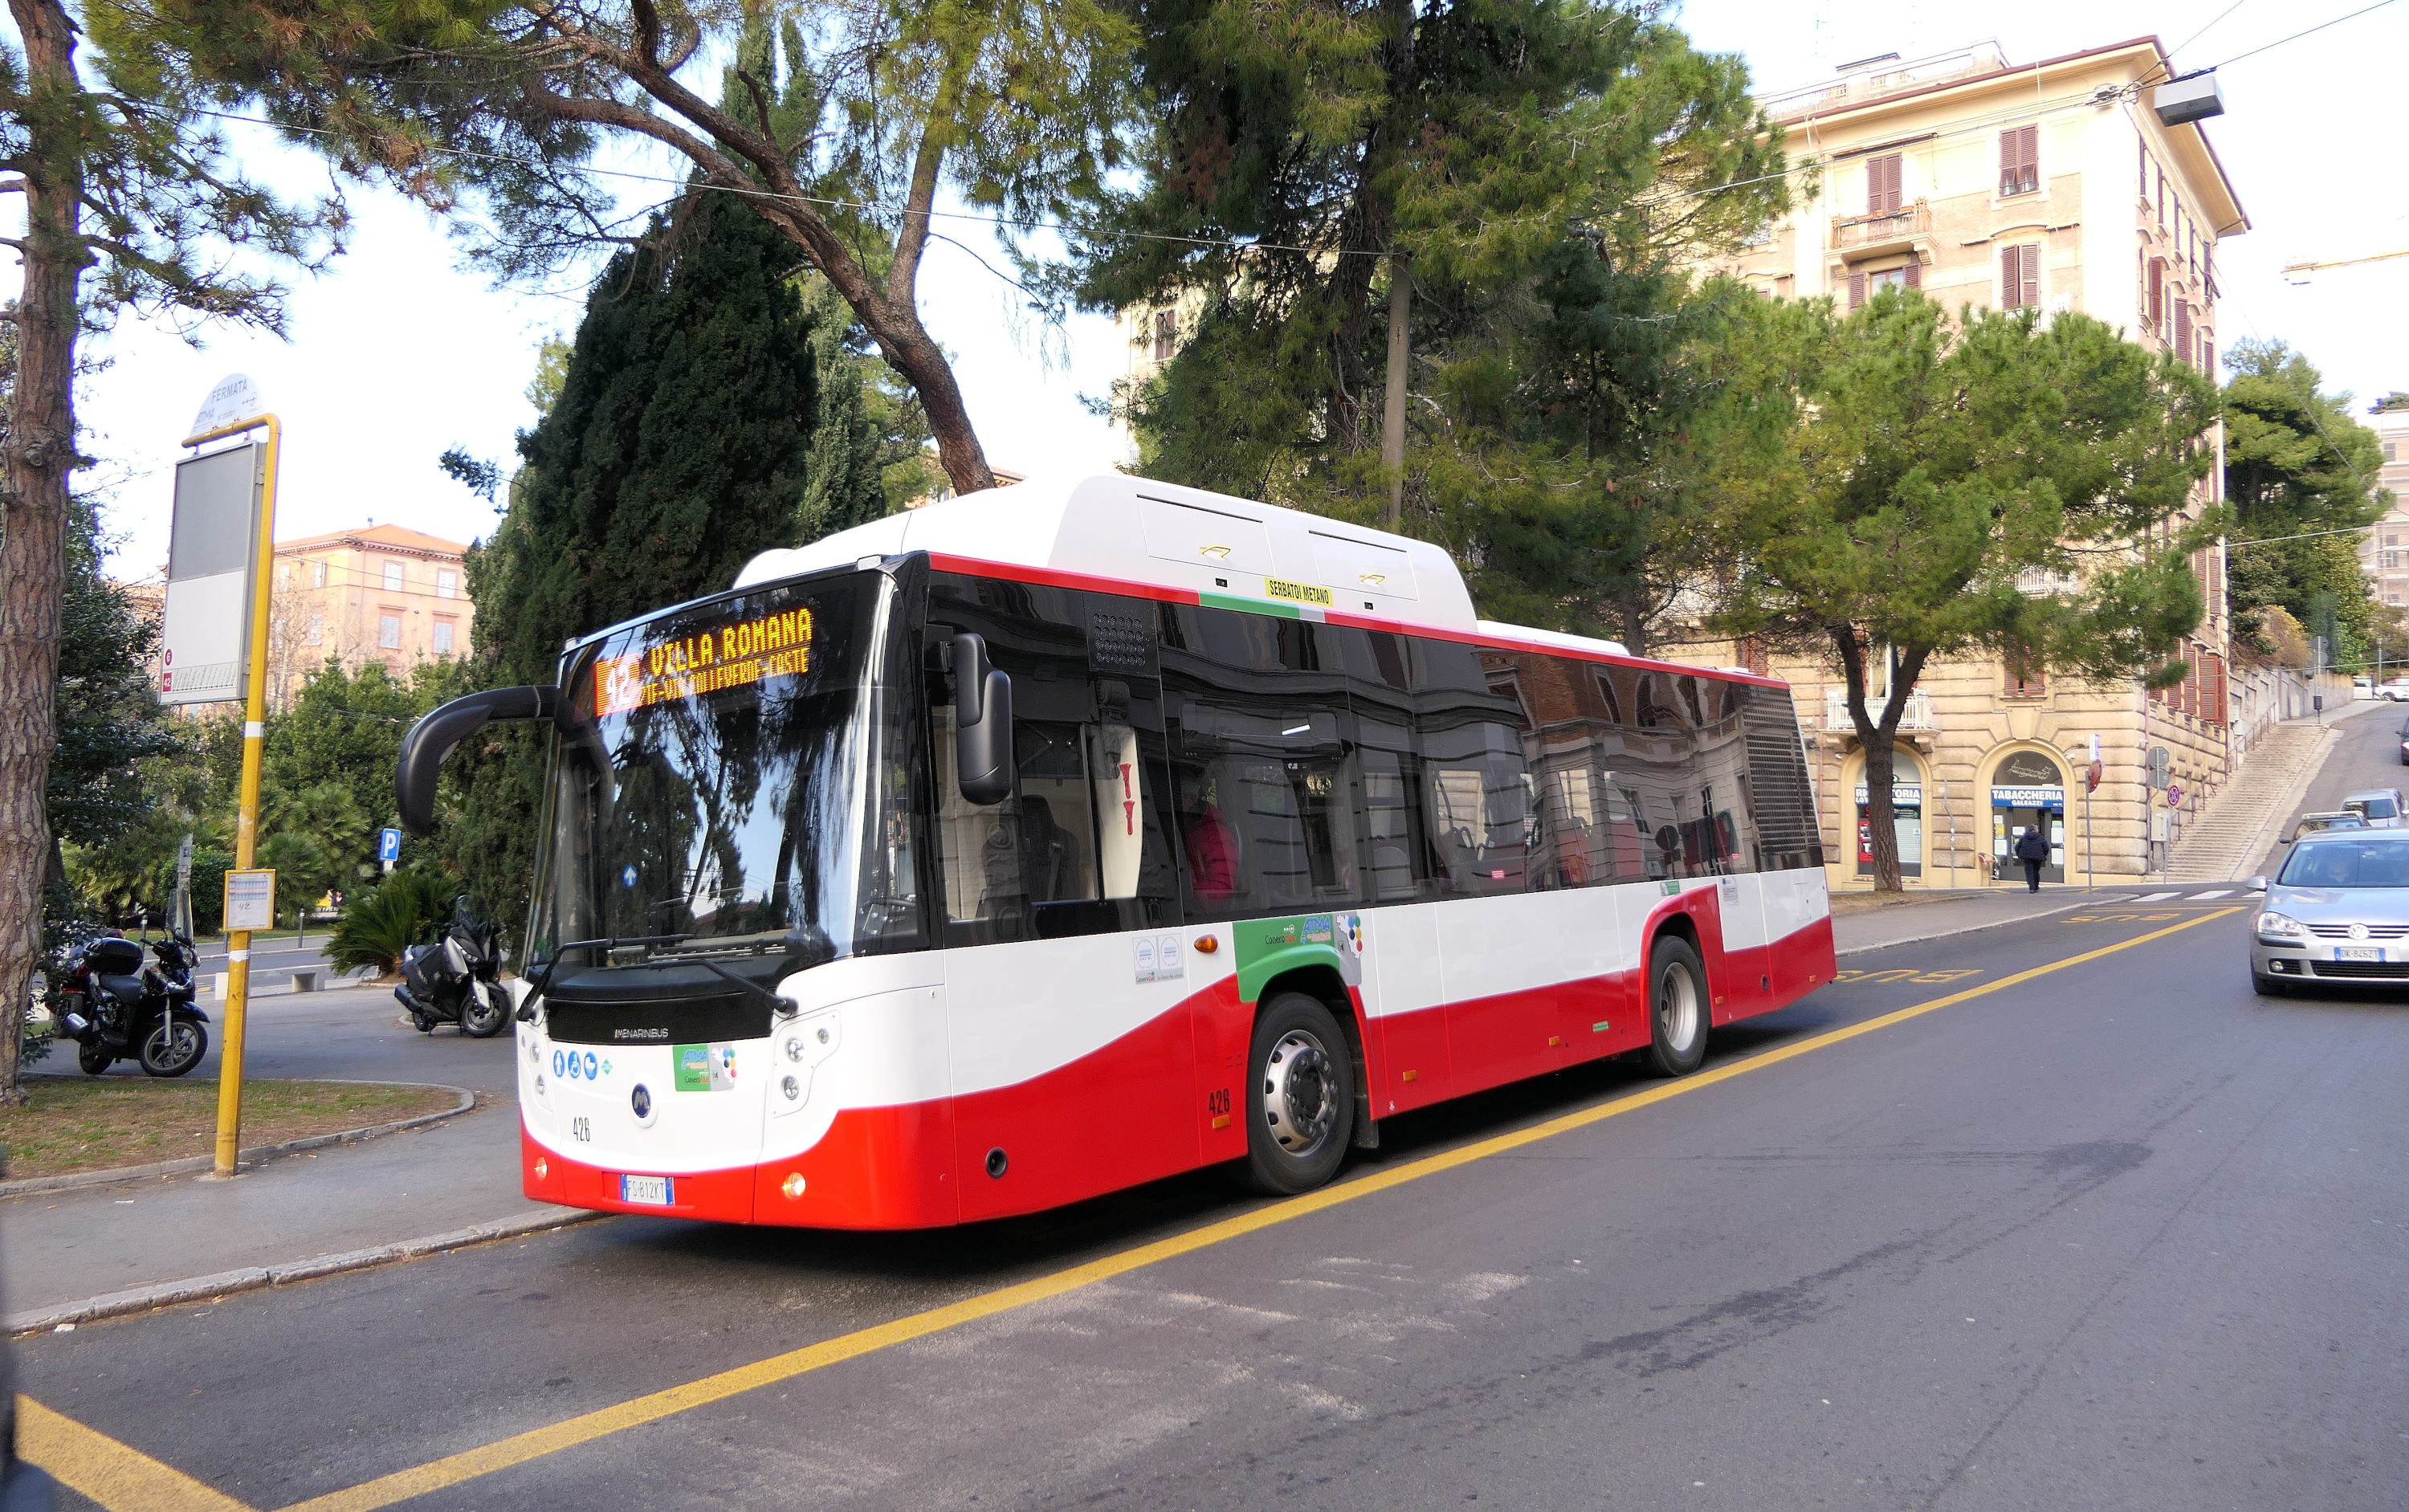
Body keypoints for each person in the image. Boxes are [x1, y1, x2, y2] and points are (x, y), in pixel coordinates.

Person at [2012, 823, 2051, 892]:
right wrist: (2043, 854)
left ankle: (2031, 887)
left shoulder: (2024, 837)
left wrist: (2019, 855)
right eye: (2037, 829)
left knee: (2029, 872)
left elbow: (2017, 847)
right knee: (2036, 871)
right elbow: (2046, 847)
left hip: (2027, 857)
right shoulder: (2040, 837)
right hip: (2038, 857)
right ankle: (2036, 886)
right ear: (2035, 830)